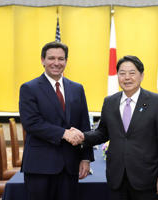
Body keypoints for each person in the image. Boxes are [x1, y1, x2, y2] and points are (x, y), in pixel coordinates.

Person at [71, 55, 158, 200]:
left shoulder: (157, 103)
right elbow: (103, 132)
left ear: (141, 75)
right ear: (117, 76)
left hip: (145, 177)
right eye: (122, 73)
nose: (127, 78)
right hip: (116, 176)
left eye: (132, 73)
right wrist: (83, 136)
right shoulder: (110, 102)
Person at [19, 41, 94, 200]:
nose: (56, 63)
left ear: (66, 61)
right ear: (42, 60)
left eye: (61, 59)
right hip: (40, 166)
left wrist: (86, 158)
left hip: (70, 166)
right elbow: (31, 123)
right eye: (51, 58)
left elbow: (84, 126)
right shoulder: (29, 88)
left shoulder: (77, 89)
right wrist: (63, 133)